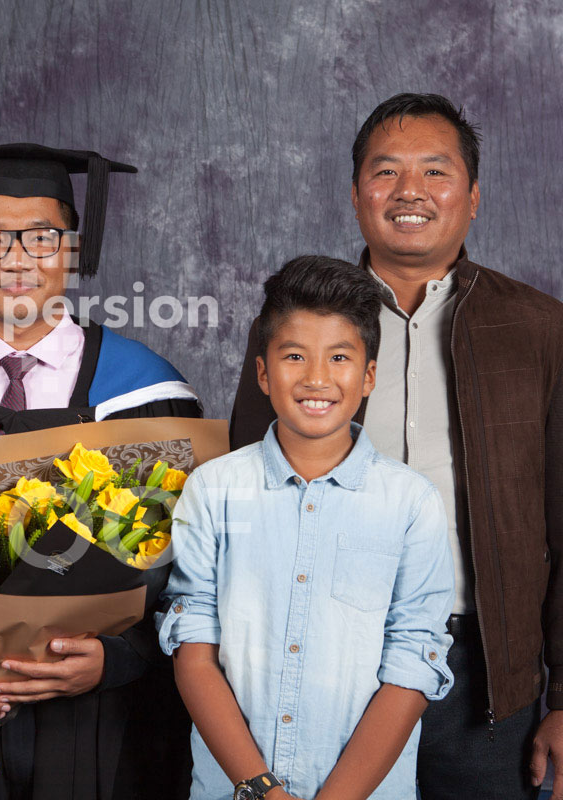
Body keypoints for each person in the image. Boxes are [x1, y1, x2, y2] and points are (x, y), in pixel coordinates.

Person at [230, 94, 563, 798]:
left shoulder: (539, 330)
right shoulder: (294, 327)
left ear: (473, 197)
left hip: (484, 677)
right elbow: (248, 496)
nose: (410, 191)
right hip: (321, 661)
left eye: (436, 171)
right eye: (386, 172)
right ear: (356, 196)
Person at [0, 143, 203, 799]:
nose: (17, 259)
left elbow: (187, 568)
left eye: (42, 237)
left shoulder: (145, 392)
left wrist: (119, 657)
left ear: (73, 251)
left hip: (96, 721)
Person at [162, 255, 455, 799]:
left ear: (368, 376)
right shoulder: (215, 489)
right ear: (263, 373)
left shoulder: (411, 503)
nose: (317, 378)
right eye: (294, 356)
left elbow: (414, 662)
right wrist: (263, 790)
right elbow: (194, 648)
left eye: (339, 357)